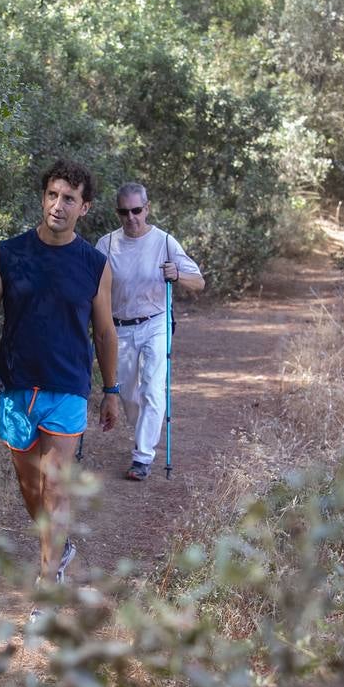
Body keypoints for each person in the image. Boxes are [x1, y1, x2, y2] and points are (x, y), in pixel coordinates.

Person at [0, 158, 119, 610]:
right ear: (43, 198)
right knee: (31, 489)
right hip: (17, 384)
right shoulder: (10, 253)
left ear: (84, 208)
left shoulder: (95, 265)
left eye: (69, 199)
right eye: (52, 195)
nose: (58, 205)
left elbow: (104, 334)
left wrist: (111, 391)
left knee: (55, 487)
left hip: (67, 387)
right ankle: (58, 548)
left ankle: (47, 583)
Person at [96, 182, 204, 481]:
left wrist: (177, 274)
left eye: (136, 210)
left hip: (156, 322)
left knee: (153, 389)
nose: (131, 217)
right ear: (117, 212)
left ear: (147, 209)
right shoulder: (106, 244)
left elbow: (199, 282)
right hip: (120, 327)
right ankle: (143, 431)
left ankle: (142, 457)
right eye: (124, 212)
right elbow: (92, 285)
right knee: (129, 394)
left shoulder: (165, 242)